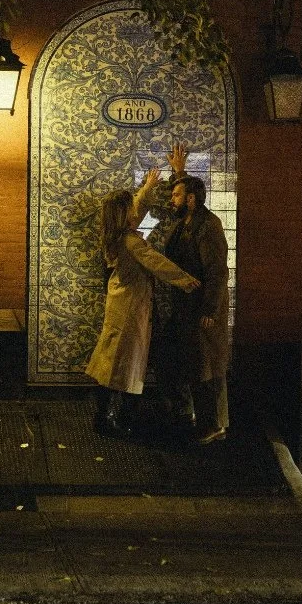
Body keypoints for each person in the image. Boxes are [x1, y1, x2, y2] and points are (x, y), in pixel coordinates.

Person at [85, 168, 200, 438]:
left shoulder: (115, 234)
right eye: (128, 209)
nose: (133, 213)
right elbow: (156, 262)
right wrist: (185, 280)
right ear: (123, 214)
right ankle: (111, 420)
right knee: (123, 365)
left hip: (120, 303)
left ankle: (106, 417)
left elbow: (135, 210)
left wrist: (147, 189)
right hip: (131, 308)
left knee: (111, 361)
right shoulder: (131, 241)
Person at [159, 145, 231, 444]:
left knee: (206, 367)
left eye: (176, 195)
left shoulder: (208, 226)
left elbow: (217, 271)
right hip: (186, 306)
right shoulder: (188, 221)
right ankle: (191, 416)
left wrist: (210, 312)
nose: (171, 199)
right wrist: (179, 173)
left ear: (190, 200)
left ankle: (211, 425)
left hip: (201, 308)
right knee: (185, 361)